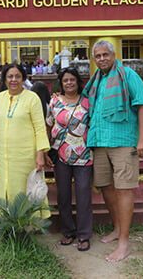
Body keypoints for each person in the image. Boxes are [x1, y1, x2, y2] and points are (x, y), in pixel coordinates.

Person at [83, 40, 143, 262]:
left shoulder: (128, 75)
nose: (102, 59)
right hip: (100, 142)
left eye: (105, 55)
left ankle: (124, 243)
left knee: (124, 189)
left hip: (123, 142)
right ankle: (117, 229)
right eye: (98, 56)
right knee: (105, 186)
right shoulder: (96, 81)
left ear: (113, 55)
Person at [0, 64, 50, 217]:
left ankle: (28, 229)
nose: (14, 80)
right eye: (10, 76)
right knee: (5, 190)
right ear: (4, 79)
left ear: (23, 79)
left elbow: (40, 128)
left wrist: (40, 153)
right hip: (4, 158)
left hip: (26, 157)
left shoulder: (32, 98)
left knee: (26, 190)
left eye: (18, 76)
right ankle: (8, 229)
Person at [46, 67, 93, 251]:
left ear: (78, 81)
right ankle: (67, 231)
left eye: (72, 79)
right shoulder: (54, 101)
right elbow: (48, 125)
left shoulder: (88, 102)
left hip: (84, 155)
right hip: (61, 155)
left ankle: (84, 235)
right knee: (63, 195)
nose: (69, 83)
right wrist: (46, 150)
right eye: (65, 80)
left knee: (83, 195)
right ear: (61, 83)